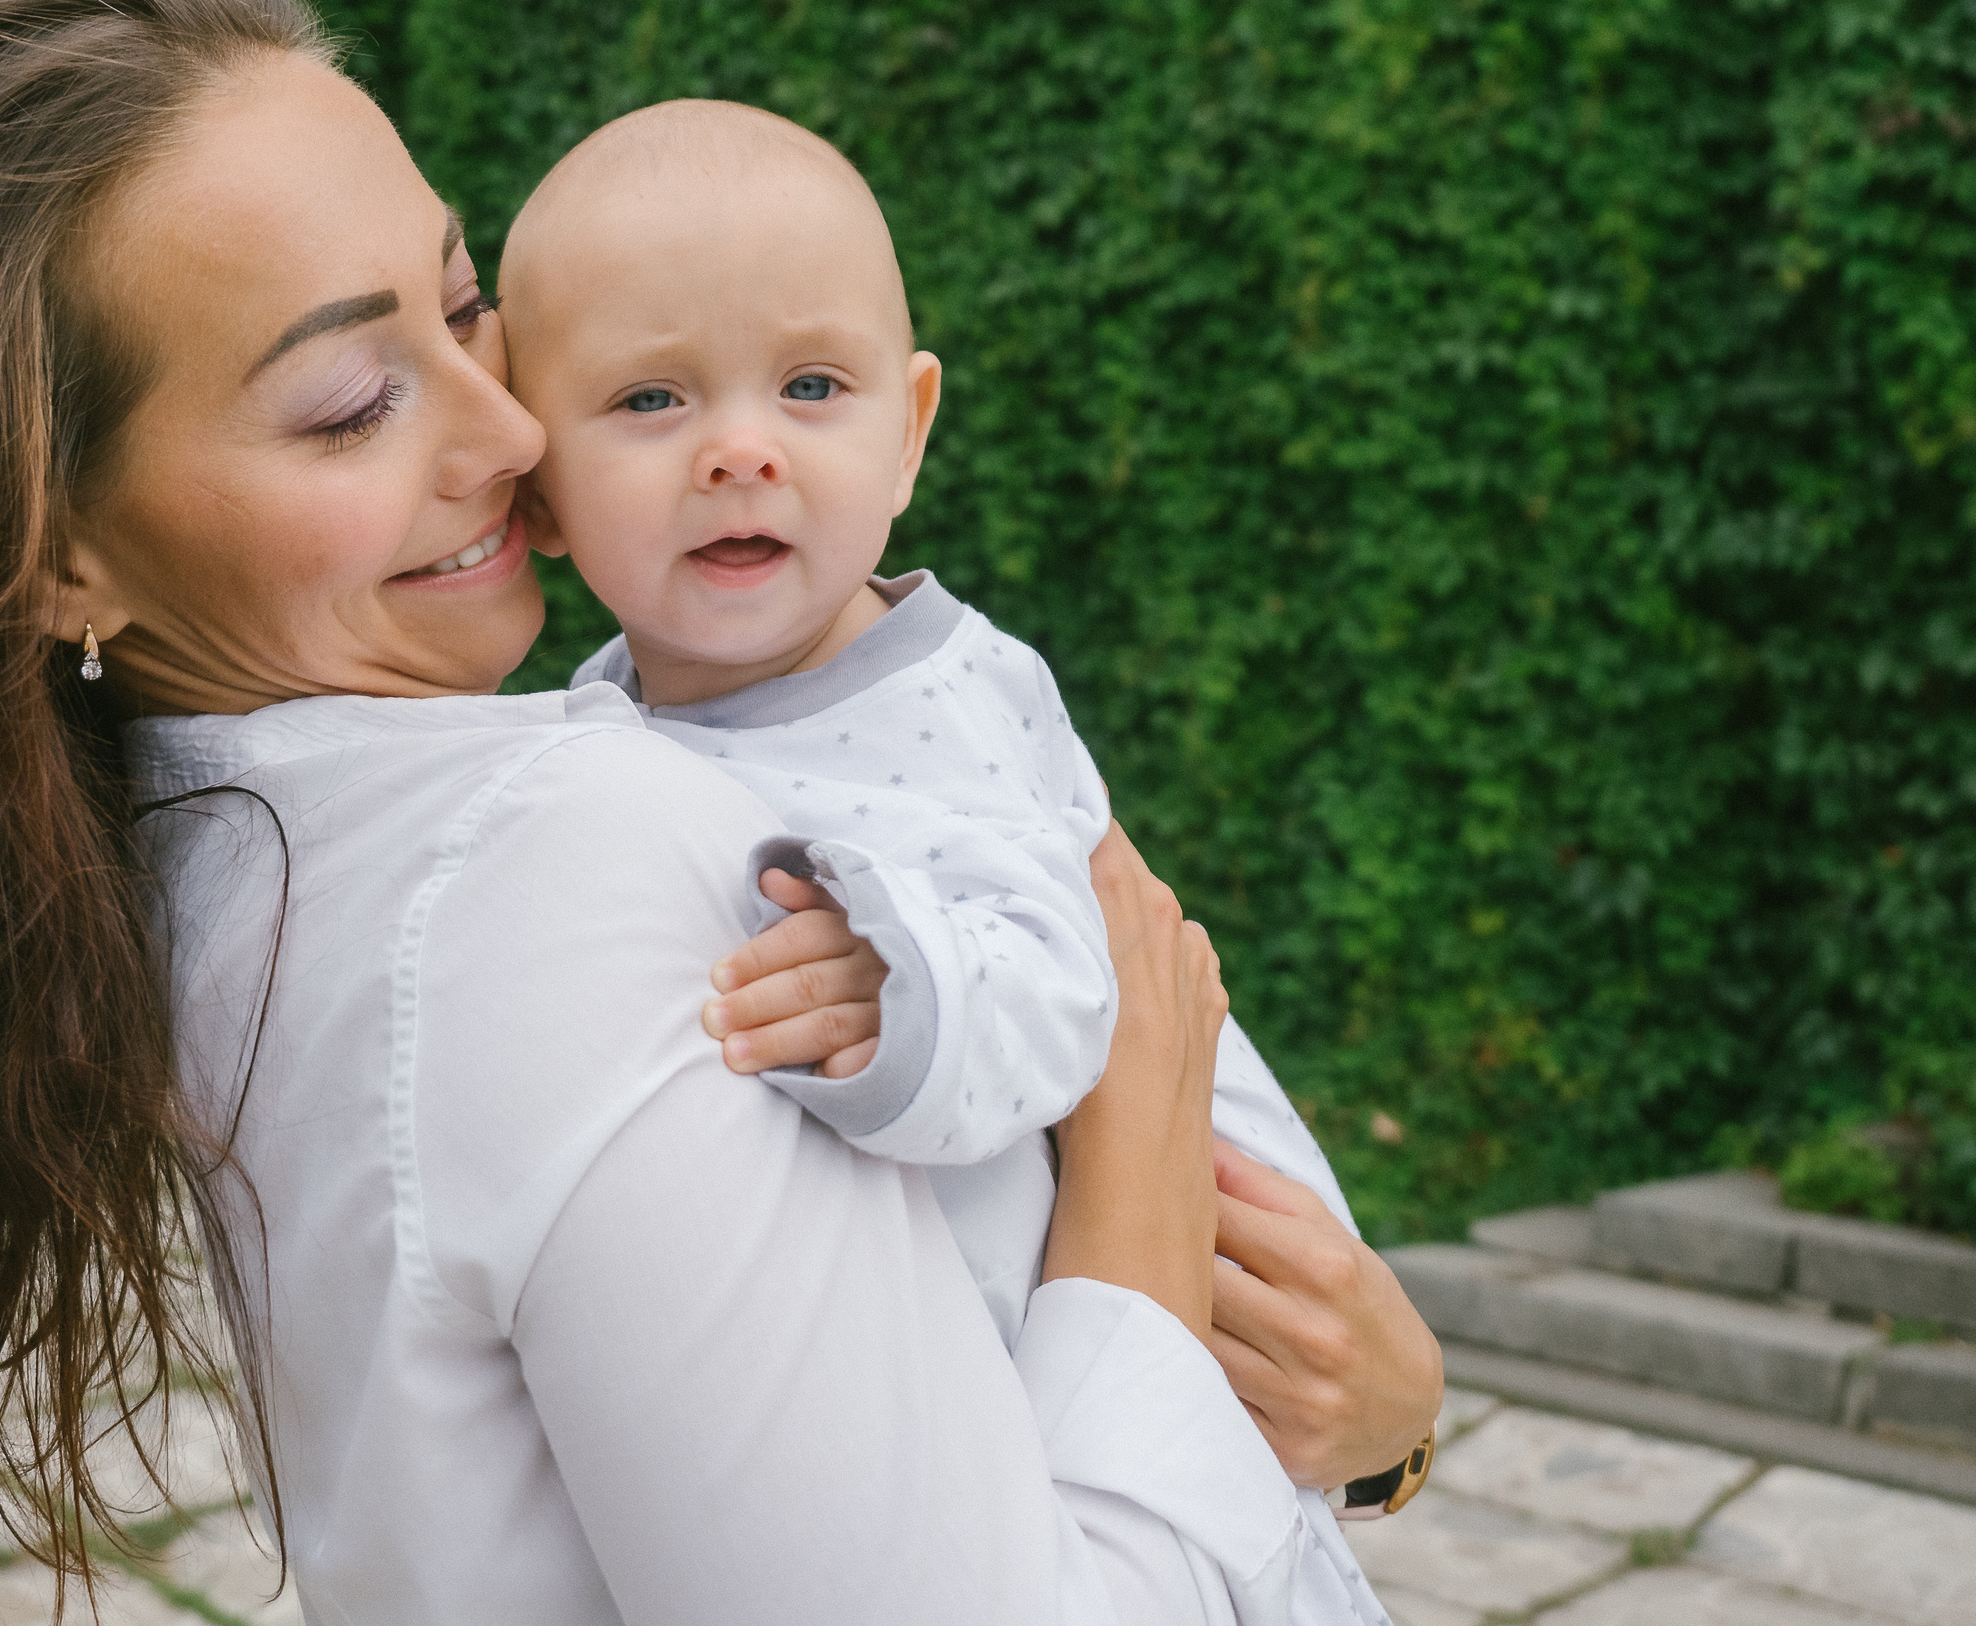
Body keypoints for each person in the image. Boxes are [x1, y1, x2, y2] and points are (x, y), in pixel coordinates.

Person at [0, 0, 1441, 1626]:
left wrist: (1366, 1436)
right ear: (52, 550)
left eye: (462, 303)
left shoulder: (203, 883)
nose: (511, 430)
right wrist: (1138, 1182)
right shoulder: (562, 863)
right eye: (350, 398)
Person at [499, 99, 1357, 1366]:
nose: (743, 450)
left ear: (907, 436)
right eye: (649, 398)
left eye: (809, 386)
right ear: (537, 487)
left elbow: (1072, 989)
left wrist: (905, 992)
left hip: (1216, 1318)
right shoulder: (590, 732)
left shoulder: (941, 701)